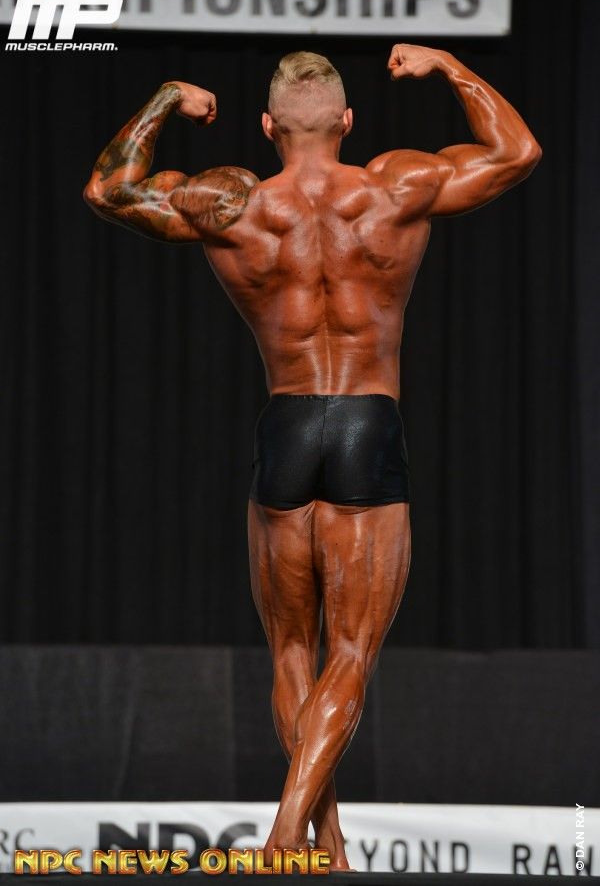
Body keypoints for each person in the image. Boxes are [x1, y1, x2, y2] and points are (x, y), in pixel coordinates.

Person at [84, 44, 541, 870]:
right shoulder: (394, 186)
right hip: (369, 422)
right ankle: (286, 836)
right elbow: (518, 152)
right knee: (352, 654)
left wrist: (166, 97)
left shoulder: (233, 204)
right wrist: (447, 67)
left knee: (292, 651)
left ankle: (324, 852)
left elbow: (107, 189)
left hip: (287, 427)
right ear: (348, 122)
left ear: (267, 127)